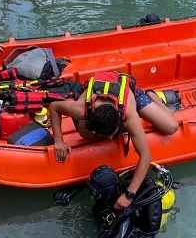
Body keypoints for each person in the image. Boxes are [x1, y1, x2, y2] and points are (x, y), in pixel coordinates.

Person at [49, 71, 179, 211]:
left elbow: (146, 157)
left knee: (171, 127)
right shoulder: (81, 109)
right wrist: (59, 141)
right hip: (96, 95)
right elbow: (54, 107)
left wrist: (129, 195)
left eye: (112, 134)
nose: (110, 139)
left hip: (130, 94)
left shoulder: (129, 116)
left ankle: (153, 97)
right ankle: (95, 129)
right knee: (85, 134)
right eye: (106, 136)